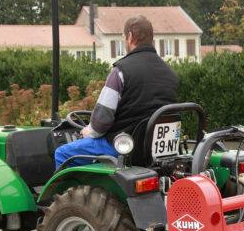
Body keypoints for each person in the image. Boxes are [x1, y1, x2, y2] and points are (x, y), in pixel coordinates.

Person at [54, 14, 179, 169]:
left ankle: (69, 193)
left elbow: (101, 120)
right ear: (151, 39)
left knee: (62, 153)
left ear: (130, 36)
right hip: (155, 150)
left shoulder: (121, 71)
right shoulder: (170, 73)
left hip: (124, 146)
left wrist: (89, 131)